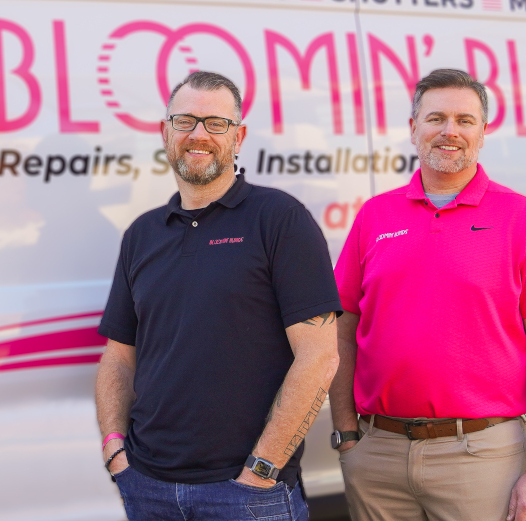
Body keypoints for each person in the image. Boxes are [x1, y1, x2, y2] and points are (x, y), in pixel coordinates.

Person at [330, 68, 526, 521]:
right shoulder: (374, 216)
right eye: (436, 118)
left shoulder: (522, 217)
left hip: (481, 456)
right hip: (378, 455)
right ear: (413, 129)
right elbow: (341, 333)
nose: (450, 131)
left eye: (465, 120)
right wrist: (347, 436)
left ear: (483, 132)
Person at [95, 71, 342, 521]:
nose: (199, 135)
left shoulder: (280, 220)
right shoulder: (142, 235)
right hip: (148, 488)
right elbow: (118, 357)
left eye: (216, 124)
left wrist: (263, 469)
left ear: (238, 136)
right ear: (165, 132)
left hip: (247, 494)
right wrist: (115, 451)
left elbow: (319, 356)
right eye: (185, 121)